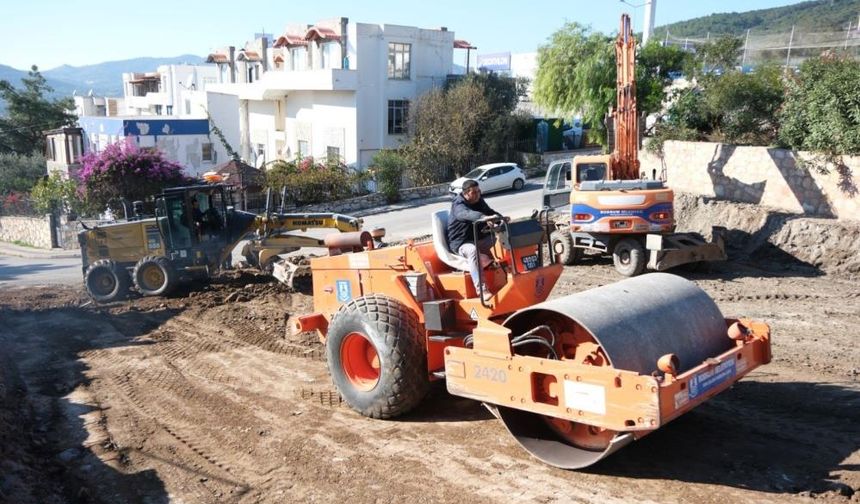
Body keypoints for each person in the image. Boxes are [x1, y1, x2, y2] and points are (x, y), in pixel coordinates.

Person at [447, 179, 507, 302]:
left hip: (478, 238)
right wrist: (483, 218)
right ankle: (482, 290)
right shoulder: (458, 205)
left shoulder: (478, 200)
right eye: (474, 192)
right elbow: (465, 214)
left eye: (479, 191)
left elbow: (489, 212)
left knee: (499, 240)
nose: (478, 195)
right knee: (472, 250)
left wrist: (500, 218)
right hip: (461, 243)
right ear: (465, 193)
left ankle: (508, 275)